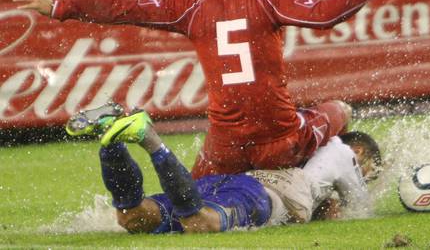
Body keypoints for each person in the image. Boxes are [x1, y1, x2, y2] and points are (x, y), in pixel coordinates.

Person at [13, 0, 415, 178]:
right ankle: (343, 183)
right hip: (280, 140)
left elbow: (127, 9)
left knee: (191, 198)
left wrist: (60, 6)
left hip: (226, 147)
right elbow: (326, 15)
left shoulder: (192, 7)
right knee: (340, 110)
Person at [65, 102, 382, 233]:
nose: (367, 175)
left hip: (228, 182)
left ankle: (112, 142)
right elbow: (359, 208)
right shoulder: (342, 152)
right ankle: (149, 139)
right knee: (199, 222)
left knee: (133, 217)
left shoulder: (307, 149)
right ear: (359, 151)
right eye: (370, 168)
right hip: (262, 196)